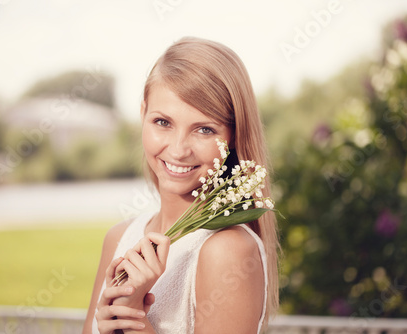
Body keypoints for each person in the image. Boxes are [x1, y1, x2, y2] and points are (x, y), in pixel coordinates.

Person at [83, 36, 280, 334]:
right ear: (142, 114)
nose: (178, 149)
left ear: (233, 137)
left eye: (204, 129)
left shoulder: (227, 250)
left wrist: (131, 314)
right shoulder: (119, 238)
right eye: (163, 122)